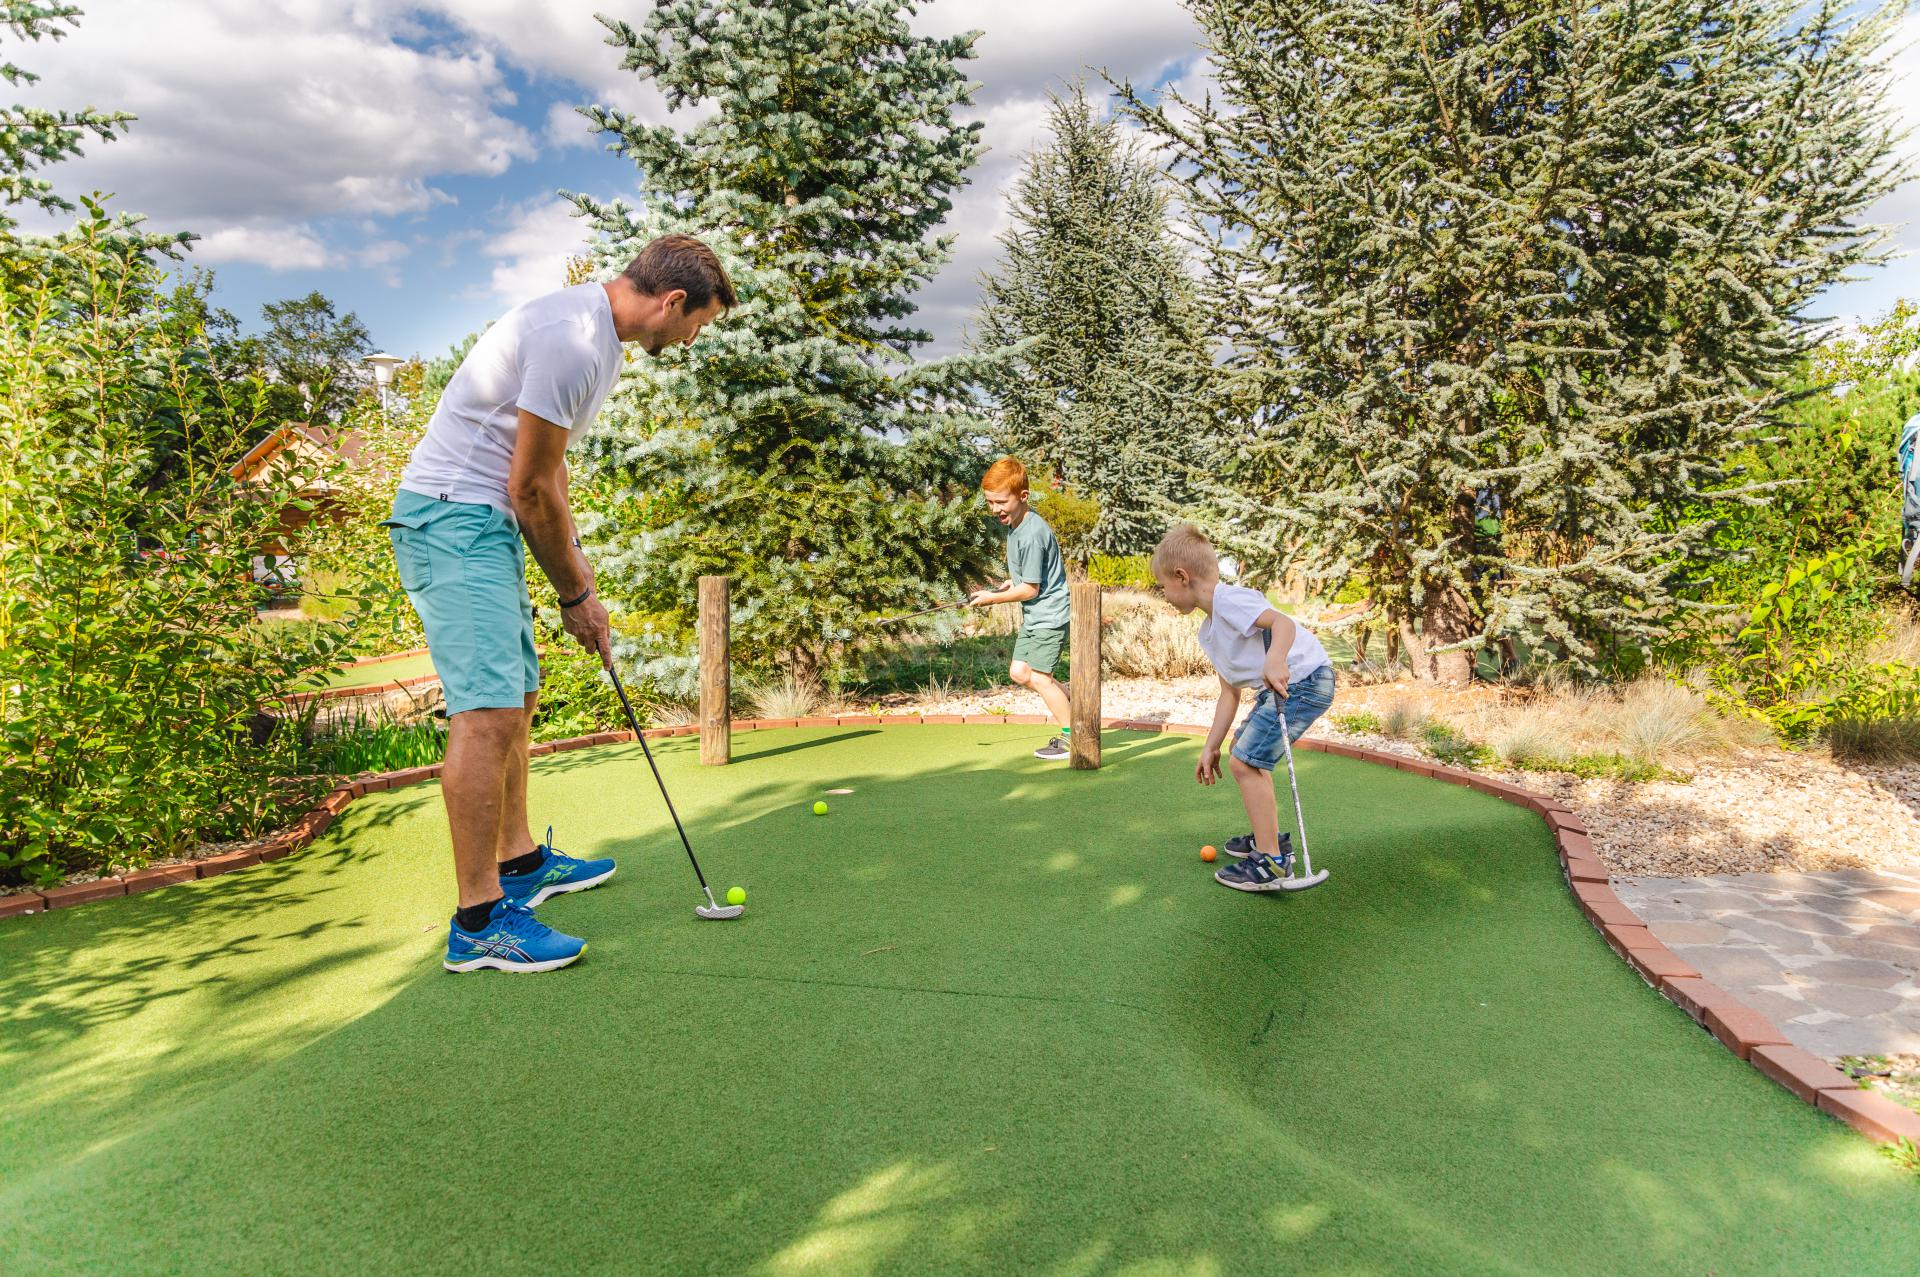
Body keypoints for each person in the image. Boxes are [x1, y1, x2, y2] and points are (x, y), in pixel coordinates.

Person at [383, 234, 735, 972]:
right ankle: (479, 922)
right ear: (672, 302)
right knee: (486, 715)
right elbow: (528, 489)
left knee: (519, 693)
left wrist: (583, 580)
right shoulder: (572, 341)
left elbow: (549, 470)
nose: (693, 335)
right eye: (697, 321)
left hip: (482, 523)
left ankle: (518, 863)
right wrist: (572, 595)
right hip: (452, 519)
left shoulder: (599, 339)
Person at [1150, 523, 1336, 892]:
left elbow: (1282, 623)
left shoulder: (1230, 600)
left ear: (1181, 576)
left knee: (1246, 763)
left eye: (1163, 586)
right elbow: (1229, 694)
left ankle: (1271, 863)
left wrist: (1275, 659)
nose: (1164, 595)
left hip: (1304, 680)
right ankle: (1269, 839)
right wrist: (1210, 745)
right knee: (1242, 754)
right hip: (1287, 685)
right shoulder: (1209, 630)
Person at [967, 457, 1074, 760]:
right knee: (1019, 672)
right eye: (990, 502)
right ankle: (1073, 703)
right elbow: (1027, 576)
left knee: (1039, 677)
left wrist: (991, 598)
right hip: (1035, 614)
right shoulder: (1016, 525)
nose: (995, 509)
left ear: (1023, 496)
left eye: (1001, 501)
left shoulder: (1032, 533)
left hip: (1049, 615)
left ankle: (1071, 736)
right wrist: (1007, 582)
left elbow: (1031, 588)